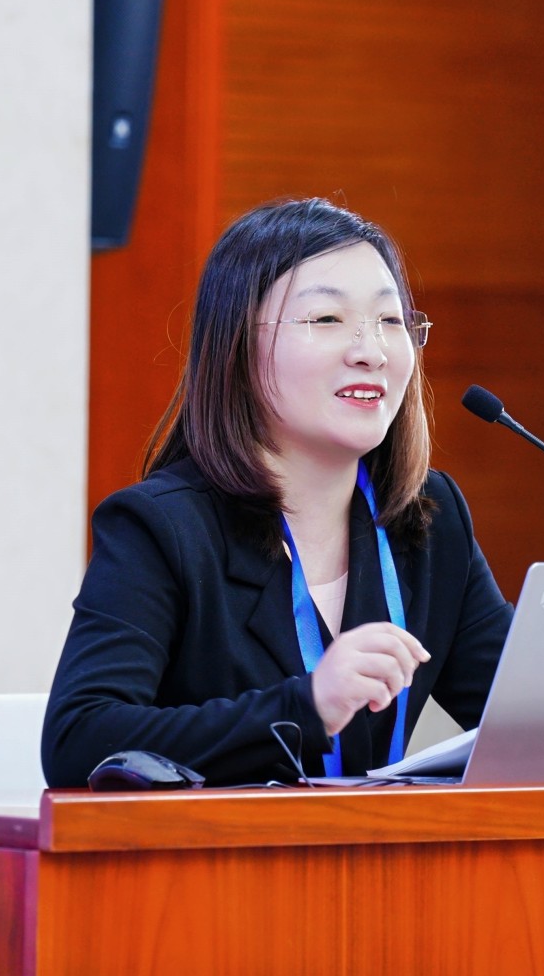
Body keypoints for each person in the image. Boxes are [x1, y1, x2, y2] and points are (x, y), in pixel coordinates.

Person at [42, 197, 513, 787]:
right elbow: (78, 738)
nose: (370, 351)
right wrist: (307, 706)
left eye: (391, 321)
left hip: (380, 847)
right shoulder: (163, 528)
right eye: (327, 320)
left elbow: (534, 723)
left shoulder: (429, 522)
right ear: (239, 345)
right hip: (215, 848)